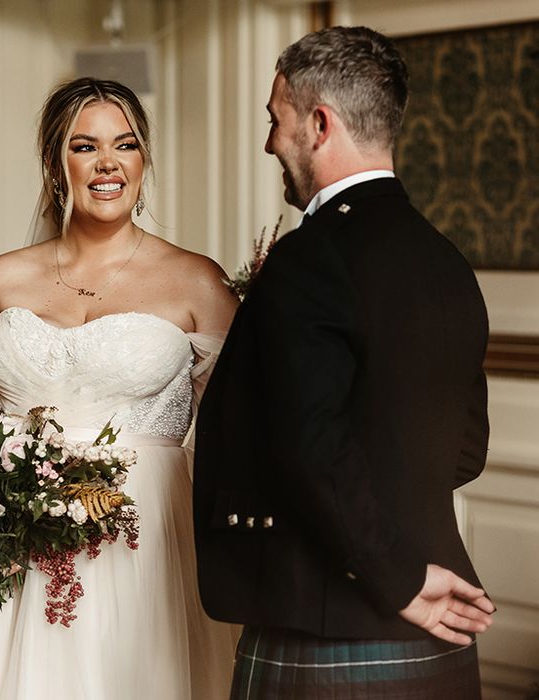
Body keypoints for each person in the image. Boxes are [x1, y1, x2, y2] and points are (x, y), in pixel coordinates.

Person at [0, 77, 239, 699]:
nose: (108, 163)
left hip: (146, 547)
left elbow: (243, 435)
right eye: (84, 146)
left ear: (145, 161)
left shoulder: (197, 283)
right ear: (56, 166)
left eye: (127, 144)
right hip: (15, 552)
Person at [193, 25, 495, 699]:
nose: (271, 142)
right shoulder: (446, 262)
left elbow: (310, 446)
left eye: (277, 121)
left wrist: (400, 579)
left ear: (319, 123)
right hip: (435, 625)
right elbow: (465, 451)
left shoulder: (311, 257)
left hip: (332, 619)